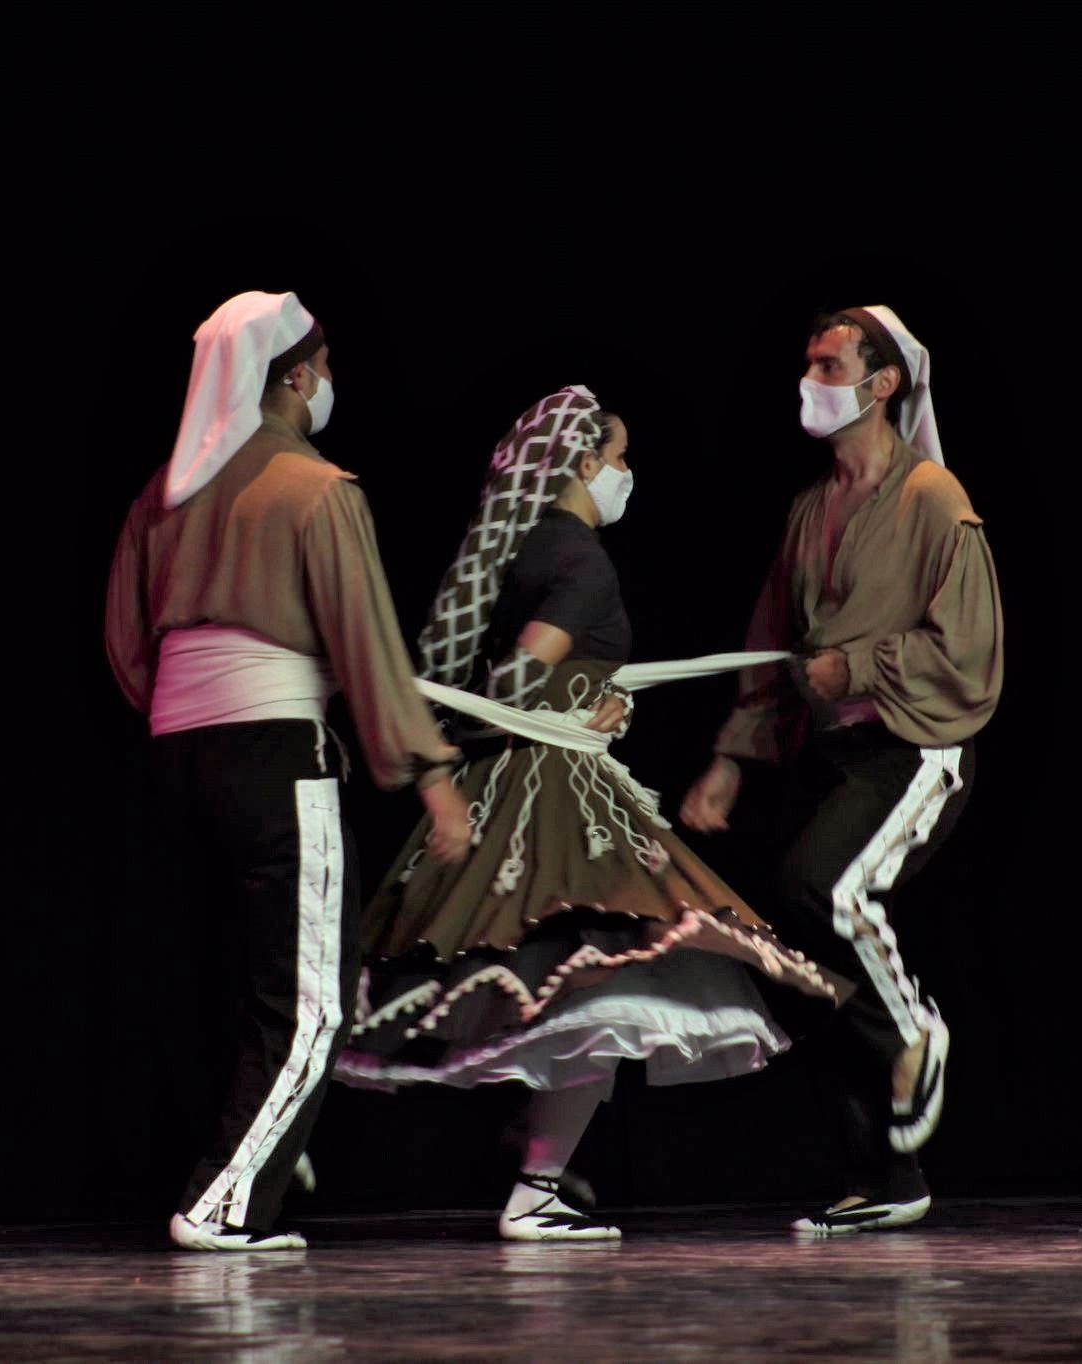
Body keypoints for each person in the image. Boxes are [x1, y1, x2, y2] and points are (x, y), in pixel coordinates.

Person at [339, 385, 844, 1241]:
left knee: (558, 978)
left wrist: (579, 702)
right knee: (606, 980)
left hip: (513, 779)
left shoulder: (524, 549)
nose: (624, 474)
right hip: (556, 791)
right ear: (581, 464)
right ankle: (536, 1186)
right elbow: (513, 681)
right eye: (617, 458)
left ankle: (538, 1152)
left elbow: (489, 682)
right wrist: (572, 713)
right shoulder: (577, 559)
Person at [104, 290, 470, 1251]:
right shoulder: (315, 489)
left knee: (231, 983)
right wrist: (429, 774)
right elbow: (368, 647)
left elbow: (124, 639)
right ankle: (225, 1200)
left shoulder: (167, 491)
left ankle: (253, 1161)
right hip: (274, 756)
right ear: (297, 377)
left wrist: (185, 713)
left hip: (178, 756)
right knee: (312, 1000)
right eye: (325, 365)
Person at [680, 306, 1003, 1235]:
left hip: (918, 745)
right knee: (804, 954)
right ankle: (886, 1170)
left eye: (829, 363)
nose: (810, 380)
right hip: (835, 754)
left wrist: (858, 666)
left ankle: (914, 1033)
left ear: (883, 383)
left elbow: (974, 651)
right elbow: (772, 645)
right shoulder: (810, 507)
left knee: (827, 890)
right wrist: (730, 764)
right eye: (809, 362)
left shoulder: (931, 498)